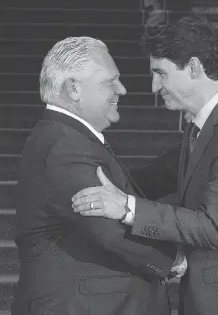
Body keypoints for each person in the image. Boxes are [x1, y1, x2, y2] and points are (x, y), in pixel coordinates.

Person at [71, 15, 218, 315]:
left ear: (194, 68)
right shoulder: (202, 126)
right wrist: (82, 170)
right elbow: (153, 178)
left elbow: (211, 227)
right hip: (212, 295)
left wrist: (127, 207)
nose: (154, 86)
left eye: (161, 73)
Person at [11, 36, 186, 315]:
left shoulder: (65, 137)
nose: (123, 89)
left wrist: (190, 153)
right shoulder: (64, 146)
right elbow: (110, 231)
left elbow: (127, 189)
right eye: (110, 82)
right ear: (74, 89)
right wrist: (177, 259)